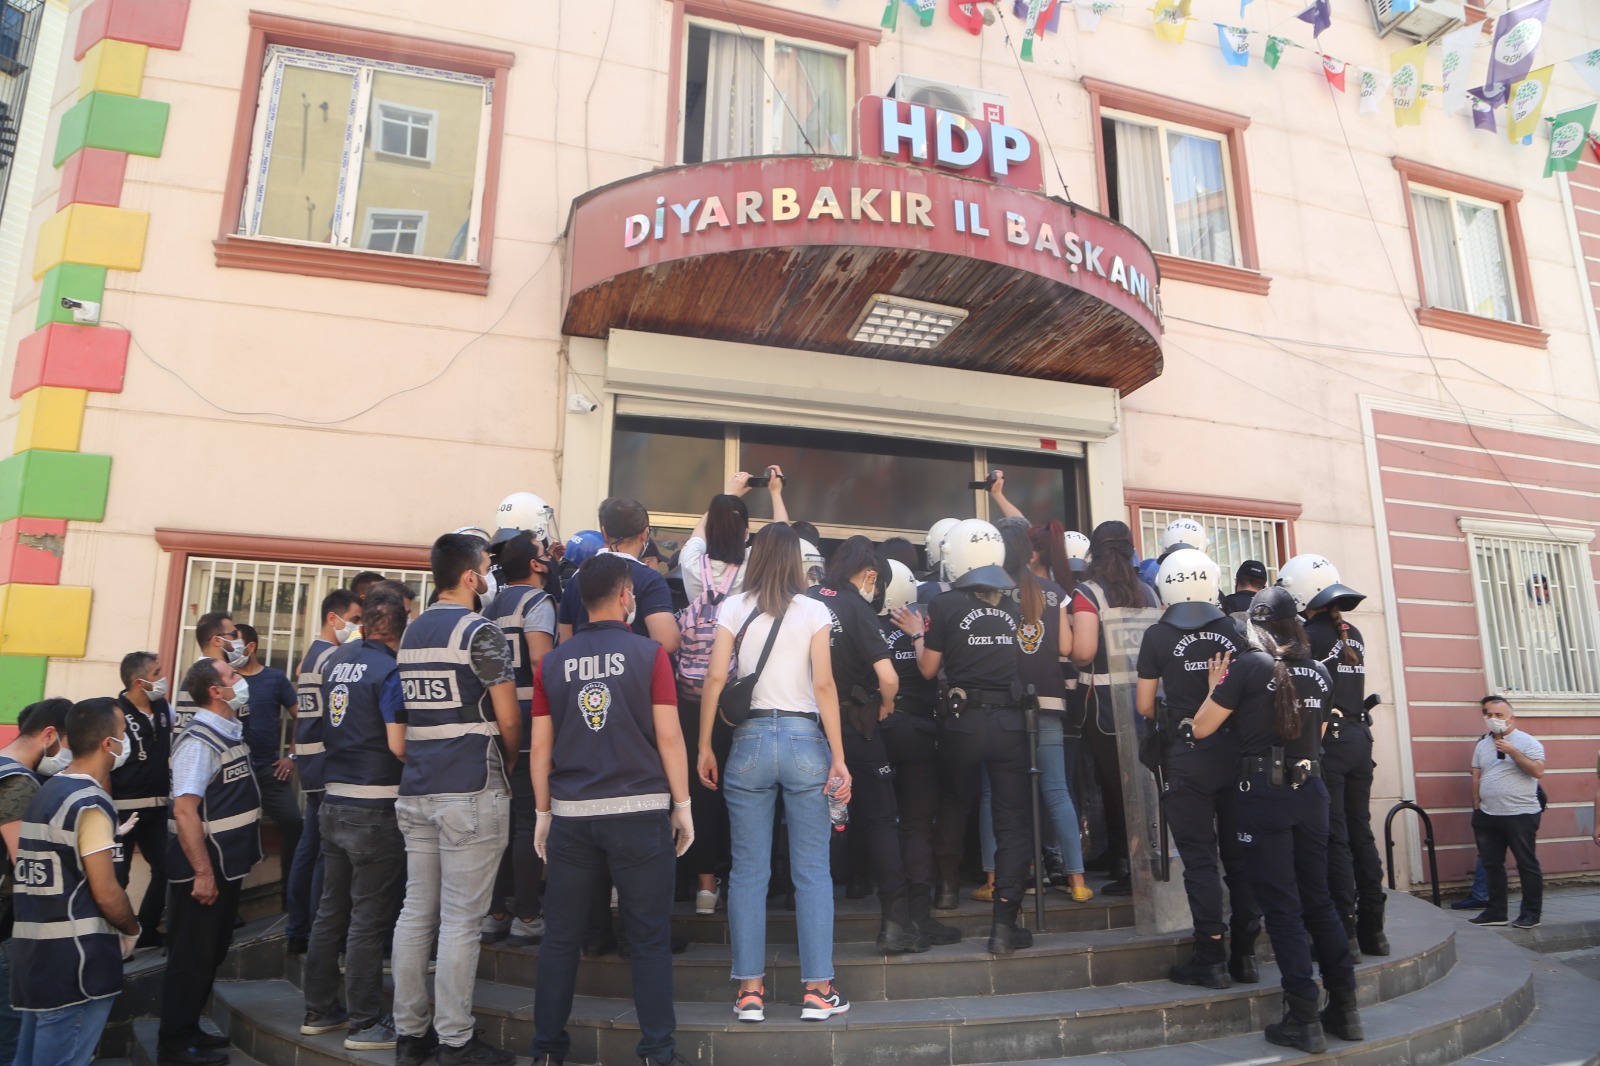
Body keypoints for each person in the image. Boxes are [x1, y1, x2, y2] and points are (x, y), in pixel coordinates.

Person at [529, 554, 694, 1066]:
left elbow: (540, 748)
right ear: (626, 597)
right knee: (649, 939)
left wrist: (542, 813)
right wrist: (683, 805)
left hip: (572, 815)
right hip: (640, 809)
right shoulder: (650, 655)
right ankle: (657, 1052)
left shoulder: (553, 663)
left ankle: (547, 1051)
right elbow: (669, 736)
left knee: (560, 939)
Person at [1193, 586, 1360, 1054]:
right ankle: (1345, 1008)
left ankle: (1303, 1017)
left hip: (1266, 795)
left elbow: (1202, 727)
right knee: (1319, 901)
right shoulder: (1319, 670)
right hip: (1311, 792)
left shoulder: (1248, 666)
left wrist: (1214, 688)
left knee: (1282, 909)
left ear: (1256, 625)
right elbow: (1318, 735)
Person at [697, 522, 853, 1023]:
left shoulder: (733, 607)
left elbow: (715, 677)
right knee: (812, 871)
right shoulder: (814, 610)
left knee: (748, 871)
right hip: (805, 739)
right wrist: (838, 756)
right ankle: (818, 991)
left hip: (750, 742)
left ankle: (749, 992)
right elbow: (824, 685)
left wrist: (704, 745)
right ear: (796, 562)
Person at [391, 533, 521, 1066]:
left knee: (415, 913)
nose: (490, 576)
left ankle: (409, 1035)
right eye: (487, 567)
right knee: (462, 921)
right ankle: (455, 1041)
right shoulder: (480, 631)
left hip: (417, 788)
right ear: (470, 577)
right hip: (469, 786)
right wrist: (508, 762)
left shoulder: (412, 632)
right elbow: (509, 717)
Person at [891, 519, 1034, 955]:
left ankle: (948, 889)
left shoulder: (946, 605)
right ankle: (1005, 925)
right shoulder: (1014, 604)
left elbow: (928, 669)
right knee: (1013, 822)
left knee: (954, 803)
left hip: (961, 721)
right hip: (1010, 723)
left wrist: (918, 634)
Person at [1136, 549, 1260, 988]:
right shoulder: (1235, 630)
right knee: (1239, 856)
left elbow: (1145, 705)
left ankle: (1210, 956)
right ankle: (1245, 954)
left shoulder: (1157, 635)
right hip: (1235, 753)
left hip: (1187, 755)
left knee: (1200, 858)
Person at [300, 585, 411, 1051]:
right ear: (399, 630)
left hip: (334, 798)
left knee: (331, 911)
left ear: (364, 625)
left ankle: (319, 1009)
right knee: (367, 918)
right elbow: (398, 744)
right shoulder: (391, 671)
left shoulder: (336, 662)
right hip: (374, 803)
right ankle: (365, 1023)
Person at [810, 536, 928, 953]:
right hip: (853, 723)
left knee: (809, 821)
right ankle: (895, 924)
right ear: (870, 575)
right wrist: (887, 705)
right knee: (880, 817)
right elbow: (888, 677)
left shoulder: (805, 599)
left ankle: (807, 923)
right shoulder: (857, 609)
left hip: (805, 725)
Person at [9, 698, 139, 1066]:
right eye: (124, 733)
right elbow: (107, 891)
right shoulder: (90, 803)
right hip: (77, 967)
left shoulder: (46, 791)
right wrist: (131, 929)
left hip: (35, 964)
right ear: (107, 743)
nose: (127, 741)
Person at [677, 476, 786, 915]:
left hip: (693, 696)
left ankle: (705, 887)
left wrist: (726, 495)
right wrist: (774, 493)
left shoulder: (691, 565)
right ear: (744, 531)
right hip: (740, 698)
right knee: (744, 788)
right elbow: (783, 539)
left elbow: (697, 534)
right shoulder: (753, 570)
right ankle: (747, 880)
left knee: (700, 788)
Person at [1279, 553, 1389, 959]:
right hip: (1360, 738)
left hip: (1332, 742)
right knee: (1361, 832)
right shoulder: (1351, 632)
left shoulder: (1308, 635)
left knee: (1336, 838)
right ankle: (1374, 930)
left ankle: (1345, 932)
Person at [159, 657, 264, 1066]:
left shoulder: (227, 730)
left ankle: (189, 1029)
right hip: (204, 869)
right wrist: (202, 873)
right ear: (216, 691)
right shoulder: (199, 742)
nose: (242, 678)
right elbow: (185, 811)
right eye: (233, 676)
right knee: (191, 957)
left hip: (225, 864)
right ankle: (174, 1045)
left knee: (211, 951)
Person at [998, 523, 1091, 900]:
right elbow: (1067, 648)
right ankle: (1077, 881)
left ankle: (994, 878)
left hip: (1005, 703)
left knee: (997, 793)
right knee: (1056, 789)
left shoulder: (993, 591)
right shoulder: (1056, 593)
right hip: (1050, 700)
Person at [1070, 521, 1159, 896]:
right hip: (1148, 702)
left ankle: (1126, 862)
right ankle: (1143, 858)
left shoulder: (1088, 592)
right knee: (1143, 783)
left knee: (1113, 784)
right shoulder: (1150, 592)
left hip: (1103, 706)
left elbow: (1084, 652)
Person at [876, 557, 962, 947]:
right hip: (920, 733)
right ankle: (919, 915)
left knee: (879, 823)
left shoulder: (866, 627)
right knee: (916, 825)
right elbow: (937, 670)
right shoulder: (922, 627)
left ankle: (888, 912)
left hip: (878, 729)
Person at [480, 528, 558, 947]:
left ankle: (494, 912)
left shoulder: (490, 605)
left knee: (499, 822)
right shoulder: (536, 602)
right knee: (528, 819)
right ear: (533, 563)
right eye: (543, 552)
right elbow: (541, 660)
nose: (549, 558)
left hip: (492, 721)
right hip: (529, 723)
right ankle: (527, 914)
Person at [286, 589, 362, 955]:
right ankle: (319, 932)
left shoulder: (313, 655)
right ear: (333, 618)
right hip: (325, 762)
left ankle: (299, 928)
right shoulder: (333, 657)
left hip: (310, 760)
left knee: (310, 847)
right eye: (355, 619)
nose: (358, 627)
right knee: (324, 856)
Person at [0, 698, 72, 1063]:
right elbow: (25, 865)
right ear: (49, 735)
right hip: (6, 924)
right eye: (66, 744)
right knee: (9, 1032)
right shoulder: (19, 783)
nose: (66, 755)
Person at [559, 498, 679, 655]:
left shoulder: (577, 578)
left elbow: (565, 643)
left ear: (604, 533)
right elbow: (667, 642)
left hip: (583, 667)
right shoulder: (650, 579)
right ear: (645, 534)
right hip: (636, 669)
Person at [235, 624, 303, 888]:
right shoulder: (224, 679)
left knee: (293, 822)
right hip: (234, 772)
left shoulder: (275, 678)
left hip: (269, 770)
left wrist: (291, 756)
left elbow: (301, 716)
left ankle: (289, 893)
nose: (229, 650)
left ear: (251, 647)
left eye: (235, 644)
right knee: (234, 832)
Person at [112, 652, 173, 949]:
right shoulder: (114, 713)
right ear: (139, 682)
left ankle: (147, 929)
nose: (163, 677)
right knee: (117, 877)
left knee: (167, 867)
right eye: (156, 673)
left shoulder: (163, 708)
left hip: (158, 808)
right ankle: (112, 937)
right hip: (123, 810)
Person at [1469, 696, 1545, 931]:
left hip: (1520, 813)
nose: (1493, 719)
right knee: (1492, 864)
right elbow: (1476, 775)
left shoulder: (1528, 742)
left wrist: (1513, 751)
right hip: (1487, 814)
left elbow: (1538, 771)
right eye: (1488, 714)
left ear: (1511, 718)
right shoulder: (1482, 744)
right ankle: (1496, 912)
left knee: (1526, 864)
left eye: (1499, 715)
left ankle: (1531, 914)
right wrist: (1476, 806)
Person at [172, 611, 249, 730]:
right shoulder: (199, 680)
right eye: (234, 634)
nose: (240, 640)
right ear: (217, 640)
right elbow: (188, 730)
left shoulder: (227, 676)